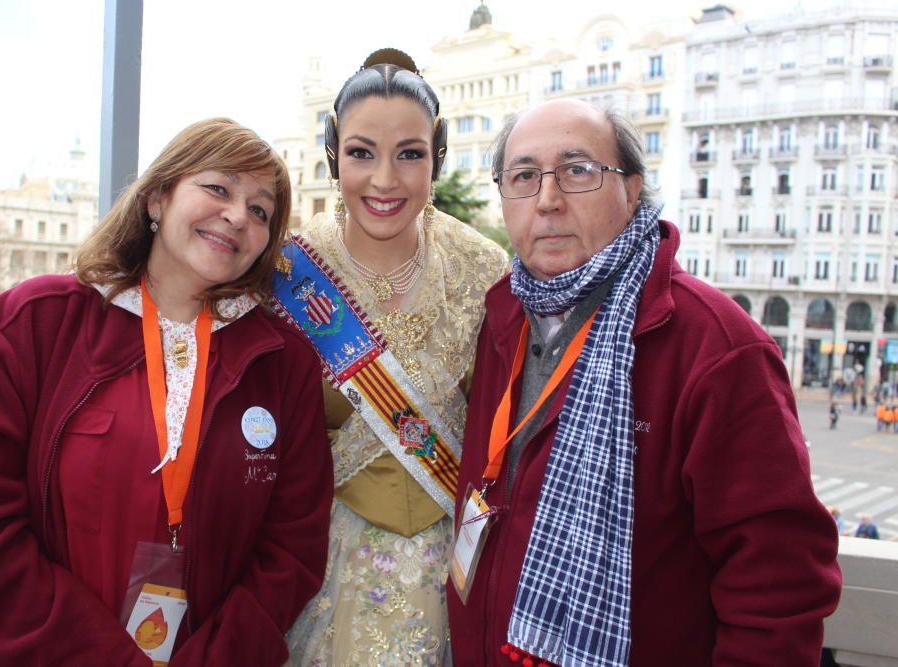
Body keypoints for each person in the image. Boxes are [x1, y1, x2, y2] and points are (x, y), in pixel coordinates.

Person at [447, 99, 841, 667]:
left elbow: (779, 585)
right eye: (524, 176)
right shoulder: (499, 316)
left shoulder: (715, 346)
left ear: (631, 189)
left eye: (578, 170)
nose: (548, 199)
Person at [0, 118, 334, 666]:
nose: (238, 215)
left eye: (260, 210)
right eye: (218, 188)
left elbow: (292, 548)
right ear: (158, 197)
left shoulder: (284, 364)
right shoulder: (32, 323)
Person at [284, 49, 508, 666]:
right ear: (334, 154)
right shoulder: (288, 273)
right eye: (362, 153)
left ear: (436, 155)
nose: (385, 179)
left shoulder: (484, 267)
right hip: (318, 570)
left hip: (453, 572)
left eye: (409, 154)